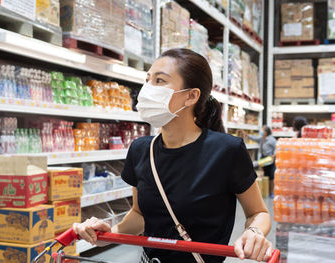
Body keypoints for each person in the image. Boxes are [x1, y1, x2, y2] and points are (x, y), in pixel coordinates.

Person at [73, 49, 272, 263]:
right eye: (147, 80)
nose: (147, 89)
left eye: (160, 81)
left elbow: (259, 213)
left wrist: (254, 232)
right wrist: (107, 232)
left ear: (191, 96)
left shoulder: (226, 151)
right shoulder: (141, 150)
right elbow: (139, 215)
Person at [248, 126, 276, 197]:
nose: (261, 131)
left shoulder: (272, 140)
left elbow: (276, 149)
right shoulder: (261, 138)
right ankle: (265, 191)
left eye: (262, 130)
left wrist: (273, 156)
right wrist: (247, 135)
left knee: (271, 177)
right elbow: (254, 138)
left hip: (270, 159)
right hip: (263, 158)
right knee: (264, 176)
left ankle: (271, 192)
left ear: (266, 132)